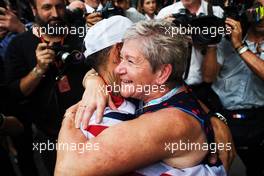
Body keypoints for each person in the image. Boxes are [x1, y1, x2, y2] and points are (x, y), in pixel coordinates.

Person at [55, 19, 235, 175]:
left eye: (130, 59)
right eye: (122, 58)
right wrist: (93, 80)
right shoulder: (153, 91)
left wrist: (69, 117)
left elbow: (68, 171)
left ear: (163, 72)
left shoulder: (166, 123)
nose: (119, 68)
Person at [4, 0, 88, 174]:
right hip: (49, 137)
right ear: (34, 10)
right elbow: (16, 94)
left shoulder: (82, 37)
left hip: (89, 129)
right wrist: (39, 69)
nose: (55, 14)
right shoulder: (19, 45)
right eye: (47, 7)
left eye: (59, 6)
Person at [203, 0, 264, 175]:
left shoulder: (237, 42)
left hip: (258, 119)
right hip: (225, 117)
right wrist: (212, 43)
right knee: (221, 167)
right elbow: (208, 76)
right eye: (258, 9)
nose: (261, 16)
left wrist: (239, 46)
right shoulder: (228, 38)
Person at [156, 0, 224, 108]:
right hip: (170, 89)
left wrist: (205, 41)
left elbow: (210, 77)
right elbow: (153, 55)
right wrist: (163, 32)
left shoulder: (215, 13)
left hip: (203, 89)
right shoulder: (166, 12)